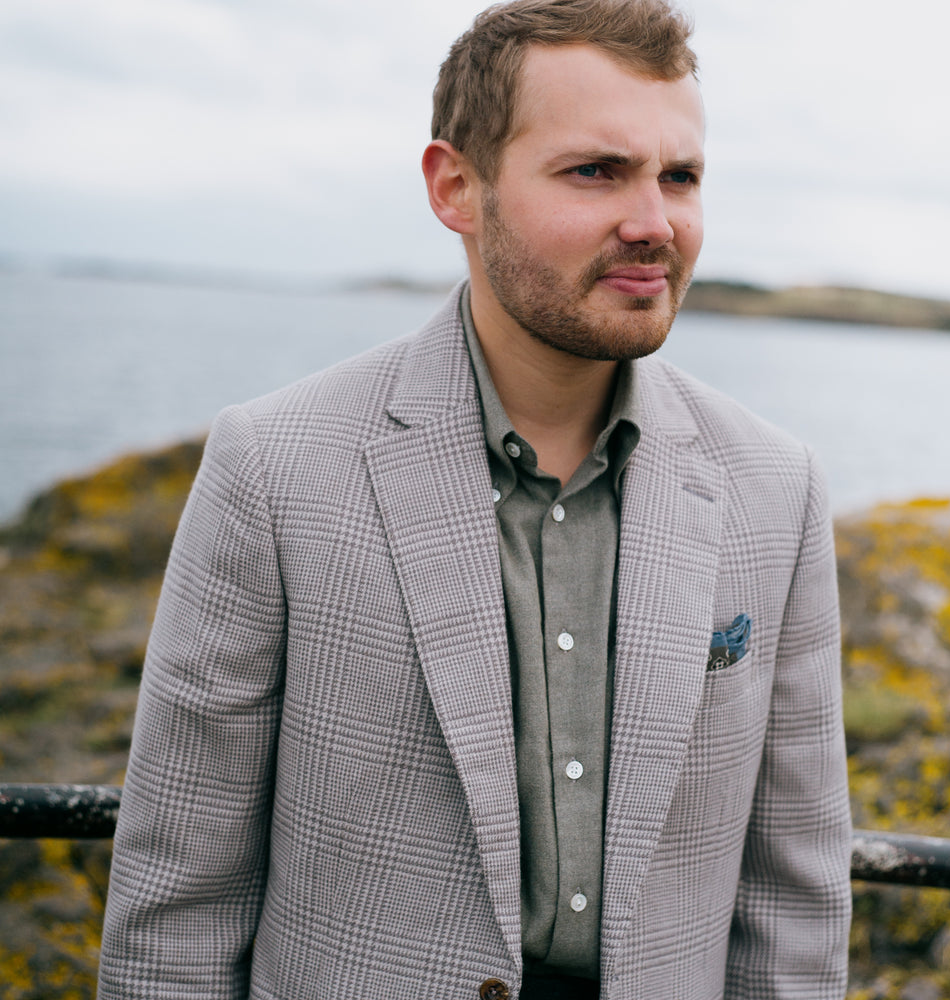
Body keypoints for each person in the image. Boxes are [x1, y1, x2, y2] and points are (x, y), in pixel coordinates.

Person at [97, 1, 852, 997]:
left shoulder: (775, 485)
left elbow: (791, 907)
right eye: (596, 171)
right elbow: (177, 900)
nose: (653, 223)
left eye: (680, 176)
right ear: (456, 186)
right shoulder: (275, 467)